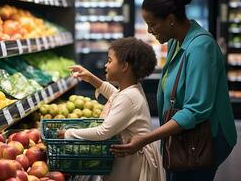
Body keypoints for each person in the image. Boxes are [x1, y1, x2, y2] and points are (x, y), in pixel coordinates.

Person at [110, 0, 237, 181]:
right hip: (182, 138)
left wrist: (146, 139)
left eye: (152, 24)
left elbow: (196, 110)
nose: (149, 30)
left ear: (170, 19)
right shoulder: (176, 43)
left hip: (202, 141)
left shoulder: (201, 48)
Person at [58, 37, 164, 181]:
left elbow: (103, 131)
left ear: (124, 66)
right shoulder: (130, 89)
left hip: (133, 164)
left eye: (109, 61)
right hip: (130, 157)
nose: (105, 65)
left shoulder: (129, 97)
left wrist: (69, 133)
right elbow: (114, 94)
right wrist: (91, 78)